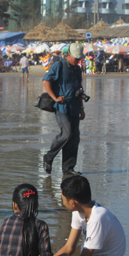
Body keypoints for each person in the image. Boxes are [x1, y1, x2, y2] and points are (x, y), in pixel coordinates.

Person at [36, 176, 126, 256]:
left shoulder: (98, 218)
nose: (62, 201)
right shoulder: (78, 211)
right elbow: (69, 247)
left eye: (62, 198)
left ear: (73, 202)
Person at [42, 43, 85, 176]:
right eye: (76, 58)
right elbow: (46, 81)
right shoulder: (58, 66)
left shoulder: (77, 70)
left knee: (74, 138)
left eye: (79, 59)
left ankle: (68, 169)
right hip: (61, 107)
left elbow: (79, 90)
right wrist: (55, 98)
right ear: (68, 55)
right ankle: (48, 157)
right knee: (66, 134)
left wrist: (82, 108)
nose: (78, 61)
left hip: (75, 107)